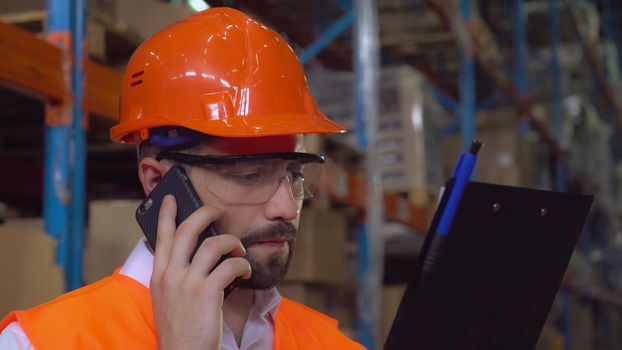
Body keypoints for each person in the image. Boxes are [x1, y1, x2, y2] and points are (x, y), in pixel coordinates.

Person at [0, 7, 365, 350]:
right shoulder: (40, 342)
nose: (287, 207)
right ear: (158, 182)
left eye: (295, 175)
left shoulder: (331, 343)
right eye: (251, 175)